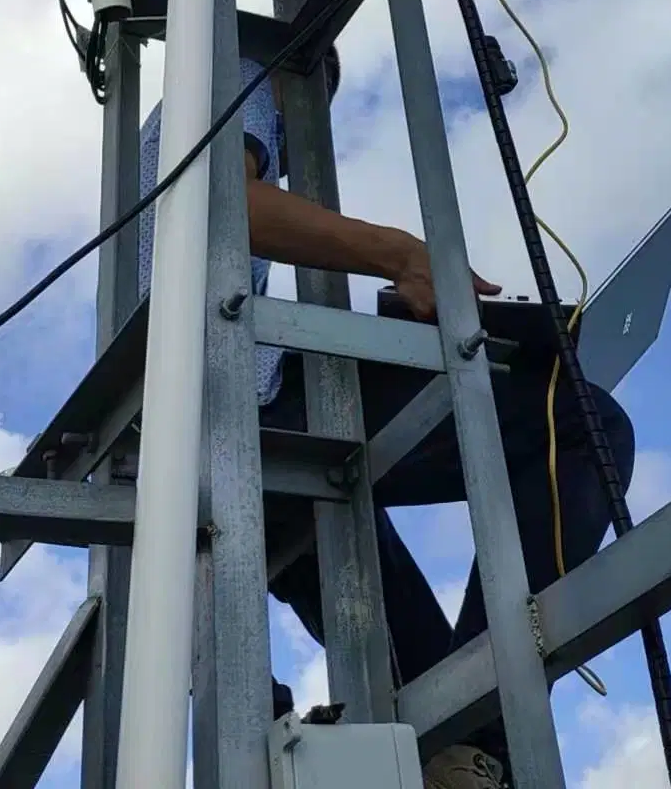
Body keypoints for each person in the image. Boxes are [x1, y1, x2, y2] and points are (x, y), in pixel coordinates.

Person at [139, 49, 635, 789]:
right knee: (585, 421)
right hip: (257, 410)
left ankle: (463, 747)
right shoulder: (240, 77)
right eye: (312, 104)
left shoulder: (177, 137)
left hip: (225, 435)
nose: (304, 131)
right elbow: (226, 198)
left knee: (449, 713)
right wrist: (399, 253)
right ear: (298, 74)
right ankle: (487, 725)